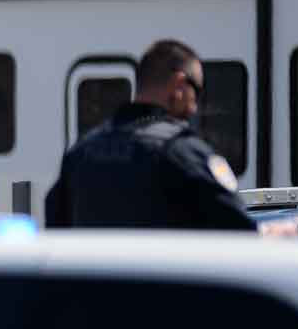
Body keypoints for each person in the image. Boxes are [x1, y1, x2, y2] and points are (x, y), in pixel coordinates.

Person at [45, 39, 272, 232]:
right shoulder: (183, 152)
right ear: (179, 85)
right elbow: (239, 231)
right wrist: (274, 235)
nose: (194, 108)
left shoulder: (81, 152)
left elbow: (55, 225)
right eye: (197, 92)